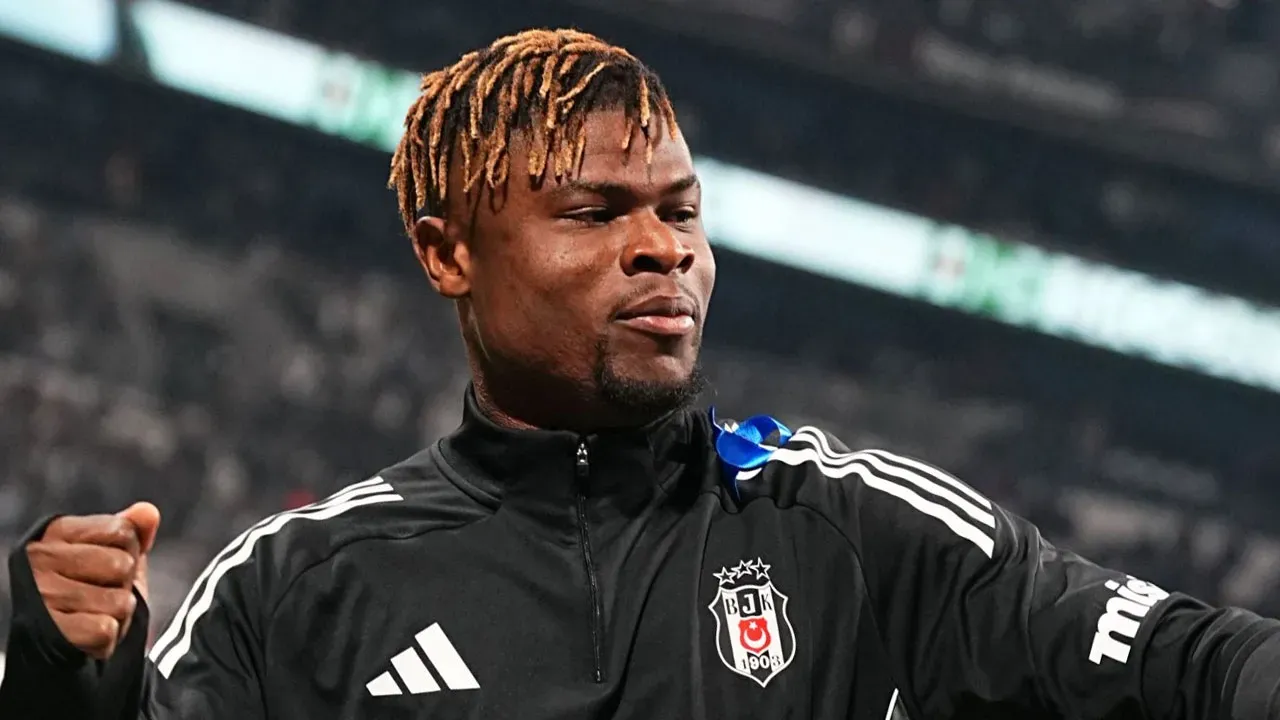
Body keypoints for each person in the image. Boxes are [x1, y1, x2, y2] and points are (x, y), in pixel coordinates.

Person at [2, 27, 1278, 720]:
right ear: (447, 254)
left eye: (679, 211)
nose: (663, 248)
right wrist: (63, 681)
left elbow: (1187, 663)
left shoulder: (847, 530)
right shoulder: (296, 591)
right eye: (595, 212)